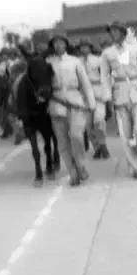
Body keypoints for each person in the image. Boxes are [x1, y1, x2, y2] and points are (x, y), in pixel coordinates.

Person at [46, 32, 96, 186]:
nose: (58, 45)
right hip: (56, 103)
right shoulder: (48, 62)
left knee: (76, 136)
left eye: (61, 42)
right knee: (62, 142)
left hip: (75, 101)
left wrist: (91, 103)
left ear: (66, 44)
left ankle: (80, 165)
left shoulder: (75, 61)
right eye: (55, 42)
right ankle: (72, 173)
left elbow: (85, 83)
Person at [101, 21, 137, 176]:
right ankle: (135, 166)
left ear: (124, 33)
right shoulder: (107, 53)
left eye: (116, 31)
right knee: (126, 134)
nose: (113, 34)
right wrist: (107, 98)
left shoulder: (135, 48)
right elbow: (105, 76)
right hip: (120, 94)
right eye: (111, 31)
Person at [77, 38, 111, 160]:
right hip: (84, 96)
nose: (84, 49)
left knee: (99, 120)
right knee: (88, 125)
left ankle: (103, 145)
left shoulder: (98, 60)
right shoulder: (77, 62)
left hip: (98, 94)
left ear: (90, 48)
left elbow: (105, 77)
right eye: (81, 47)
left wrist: (106, 94)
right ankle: (96, 148)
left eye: (86, 46)